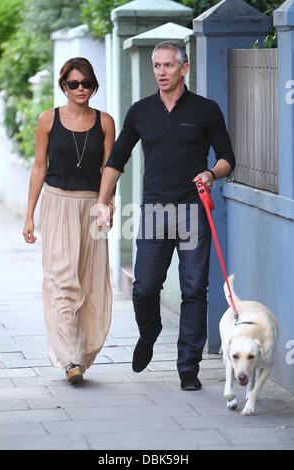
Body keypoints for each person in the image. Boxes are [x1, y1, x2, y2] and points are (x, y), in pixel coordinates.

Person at [97, 42, 235, 391]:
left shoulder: (206, 110)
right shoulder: (141, 111)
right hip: (155, 211)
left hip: (192, 211)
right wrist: (104, 201)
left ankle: (188, 366)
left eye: (168, 65)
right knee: (143, 288)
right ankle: (150, 332)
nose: (160, 71)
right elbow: (116, 160)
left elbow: (227, 157)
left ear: (183, 69)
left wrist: (211, 174)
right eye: (157, 65)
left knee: (193, 290)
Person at [22, 57, 115, 384]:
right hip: (57, 203)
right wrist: (29, 215)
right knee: (62, 280)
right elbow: (38, 168)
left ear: (93, 86)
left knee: (89, 282)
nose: (80, 89)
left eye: (86, 83)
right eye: (73, 83)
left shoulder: (105, 122)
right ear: (63, 86)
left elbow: (109, 170)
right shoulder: (47, 120)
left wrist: (108, 205)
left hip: (92, 205)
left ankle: (83, 350)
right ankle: (70, 357)